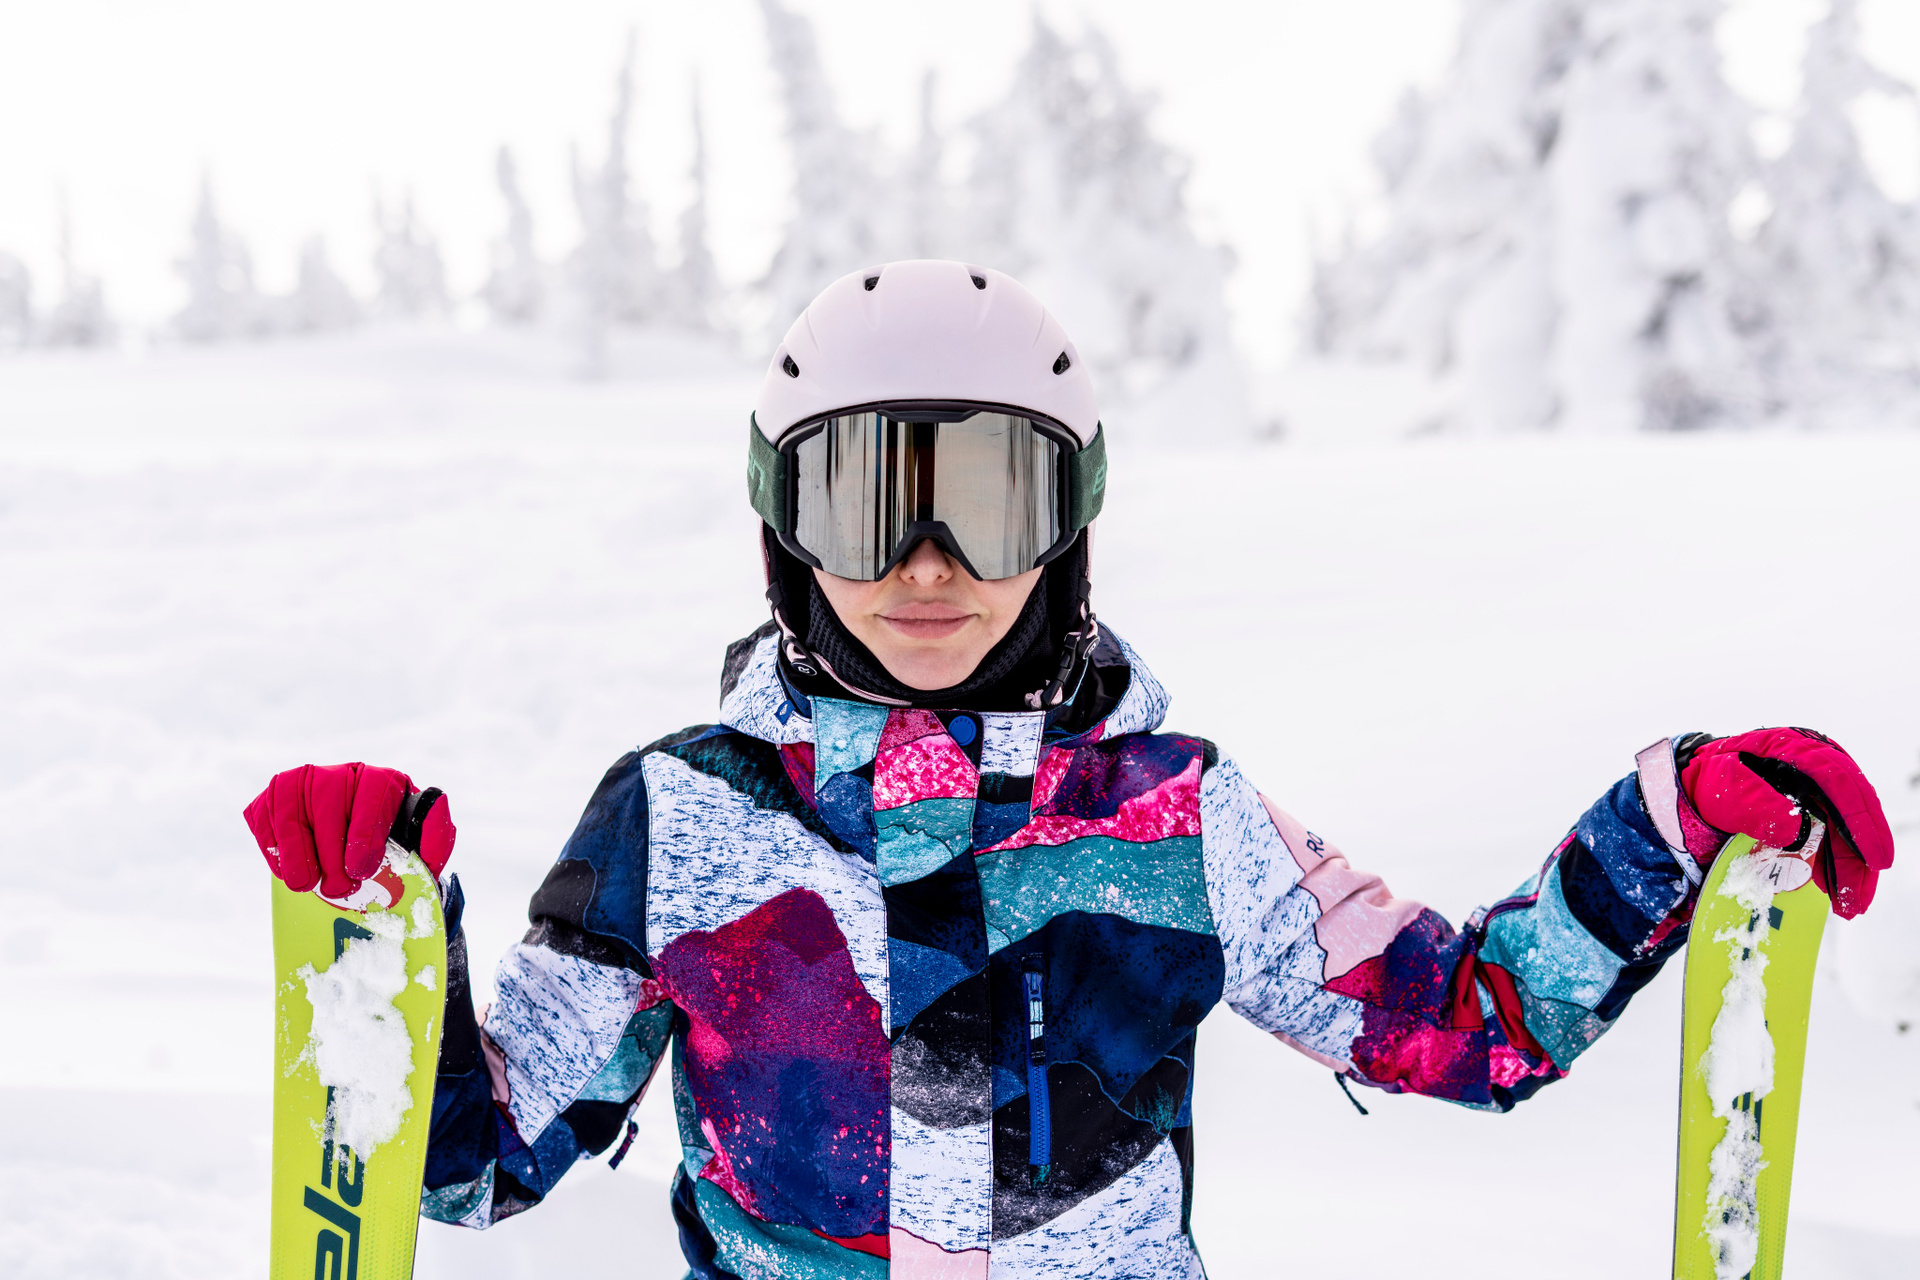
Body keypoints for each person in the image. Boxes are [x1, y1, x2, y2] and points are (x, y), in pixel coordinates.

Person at [243, 260, 1897, 1278]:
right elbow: (471, 1162)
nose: (928, 562)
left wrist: (1667, 825)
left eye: (990, 497)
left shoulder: (1174, 819)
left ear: (1071, 525)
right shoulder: (686, 821)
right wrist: (387, 931)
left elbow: (1472, 1023)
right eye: (863, 499)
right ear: (782, 532)